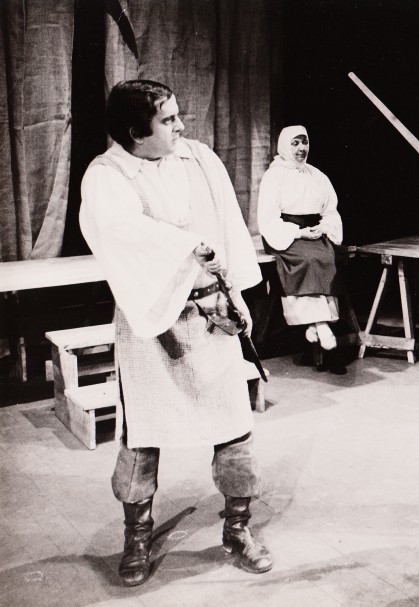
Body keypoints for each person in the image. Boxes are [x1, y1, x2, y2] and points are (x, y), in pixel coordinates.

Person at [80, 80, 272, 586]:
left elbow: (228, 225)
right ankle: (137, 537)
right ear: (134, 132)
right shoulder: (107, 175)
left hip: (212, 314)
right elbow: (120, 231)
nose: (181, 126)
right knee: (142, 435)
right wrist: (188, 247)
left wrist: (235, 294)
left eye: (177, 115)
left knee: (234, 427)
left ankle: (237, 530)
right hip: (151, 323)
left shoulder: (198, 159)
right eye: (167, 120)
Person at [257, 125, 346, 374]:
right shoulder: (274, 176)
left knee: (327, 258)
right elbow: (268, 219)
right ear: (285, 145)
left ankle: (313, 327)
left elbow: (330, 211)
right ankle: (324, 329)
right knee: (307, 260)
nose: (301, 148)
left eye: (304, 142)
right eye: (295, 143)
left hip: (313, 233)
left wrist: (324, 227)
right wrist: (298, 232)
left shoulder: (317, 175)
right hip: (285, 234)